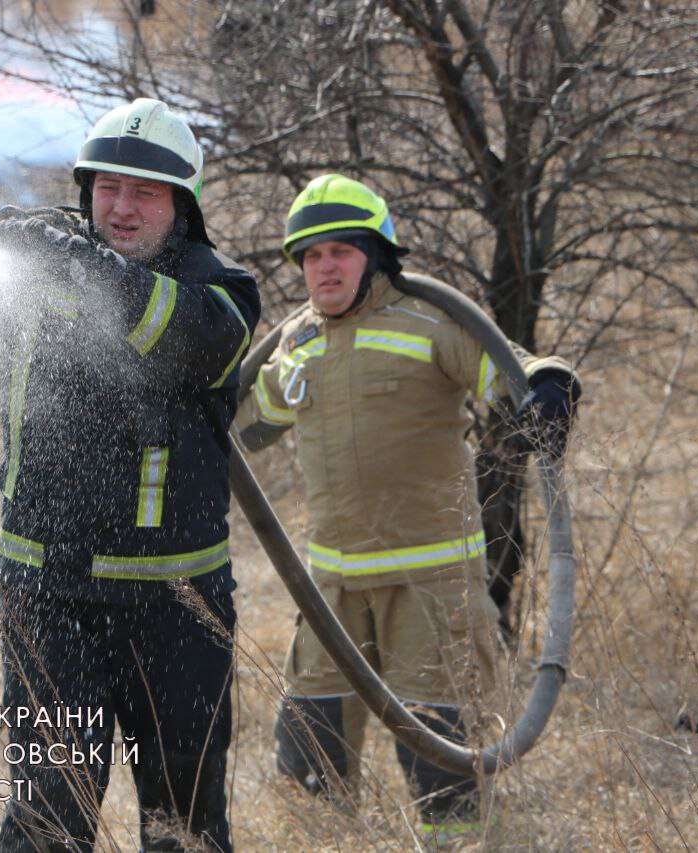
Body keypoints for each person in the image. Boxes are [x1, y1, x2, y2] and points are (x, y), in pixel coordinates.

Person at [0, 98, 259, 852]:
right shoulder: (38, 275)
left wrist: (82, 264)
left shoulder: (223, 293)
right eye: (108, 187)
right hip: (50, 602)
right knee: (47, 822)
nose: (122, 207)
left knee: (186, 825)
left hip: (177, 613)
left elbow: (185, 340)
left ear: (183, 205)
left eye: (145, 192)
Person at [233, 174, 579, 841]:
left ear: (376, 255)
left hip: (433, 589)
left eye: (340, 250)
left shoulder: (428, 324)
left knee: (443, 778)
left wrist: (551, 381)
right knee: (310, 759)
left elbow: (509, 368)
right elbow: (246, 423)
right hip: (331, 592)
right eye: (310, 255)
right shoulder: (296, 343)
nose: (324, 266)